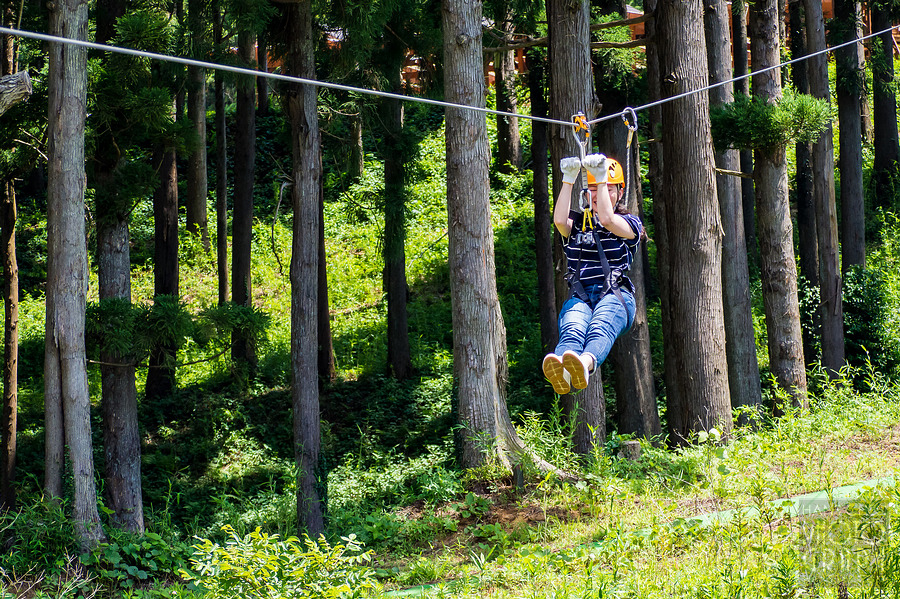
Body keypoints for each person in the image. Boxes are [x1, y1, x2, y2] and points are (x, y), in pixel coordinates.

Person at [542, 153, 644, 394]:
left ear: (620, 192)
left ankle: (585, 364)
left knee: (600, 327)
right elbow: (558, 220)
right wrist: (568, 180)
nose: (599, 194)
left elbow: (608, 220)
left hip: (616, 295)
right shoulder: (577, 223)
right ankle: (563, 369)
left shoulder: (629, 224)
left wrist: (599, 176)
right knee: (573, 328)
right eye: (595, 188)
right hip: (582, 295)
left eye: (608, 188)